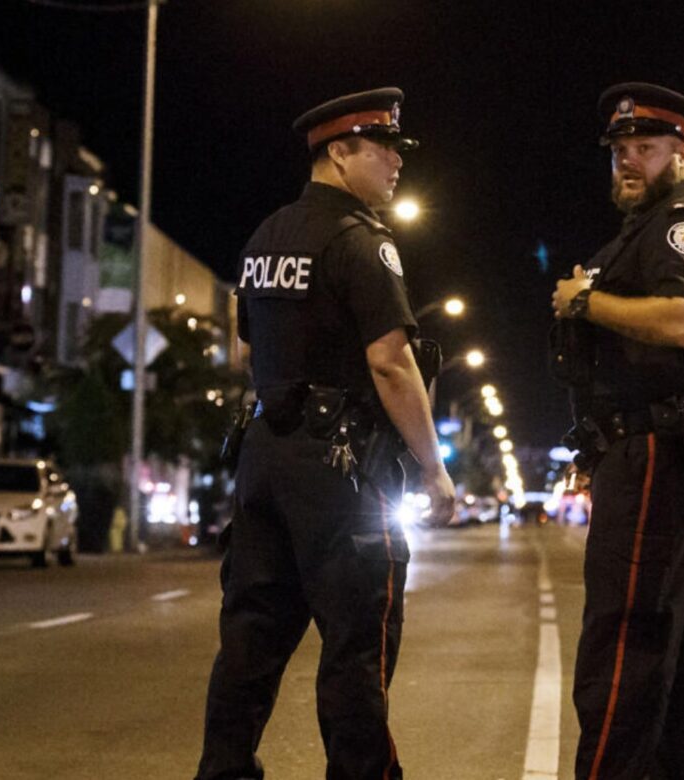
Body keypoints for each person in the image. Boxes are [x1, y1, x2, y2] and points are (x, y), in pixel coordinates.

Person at [195, 87, 456, 780]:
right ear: (339, 153)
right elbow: (391, 363)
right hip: (341, 473)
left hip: (264, 459)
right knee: (354, 653)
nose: (397, 162)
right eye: (384, 148)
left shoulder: (265, 237)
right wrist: (434, 470)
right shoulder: (360, 242)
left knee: (250, 641)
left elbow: (255, 345)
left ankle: (221, 772)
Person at [551, 82, 684, 780]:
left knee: (624, 636)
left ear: (680, 153)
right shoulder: (644, 230)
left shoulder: (681, 222)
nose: (628, 161)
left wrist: (588, 302)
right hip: (652, 448)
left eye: (645, 149)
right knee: (679, 639)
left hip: (659, 449)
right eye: (620, 150)